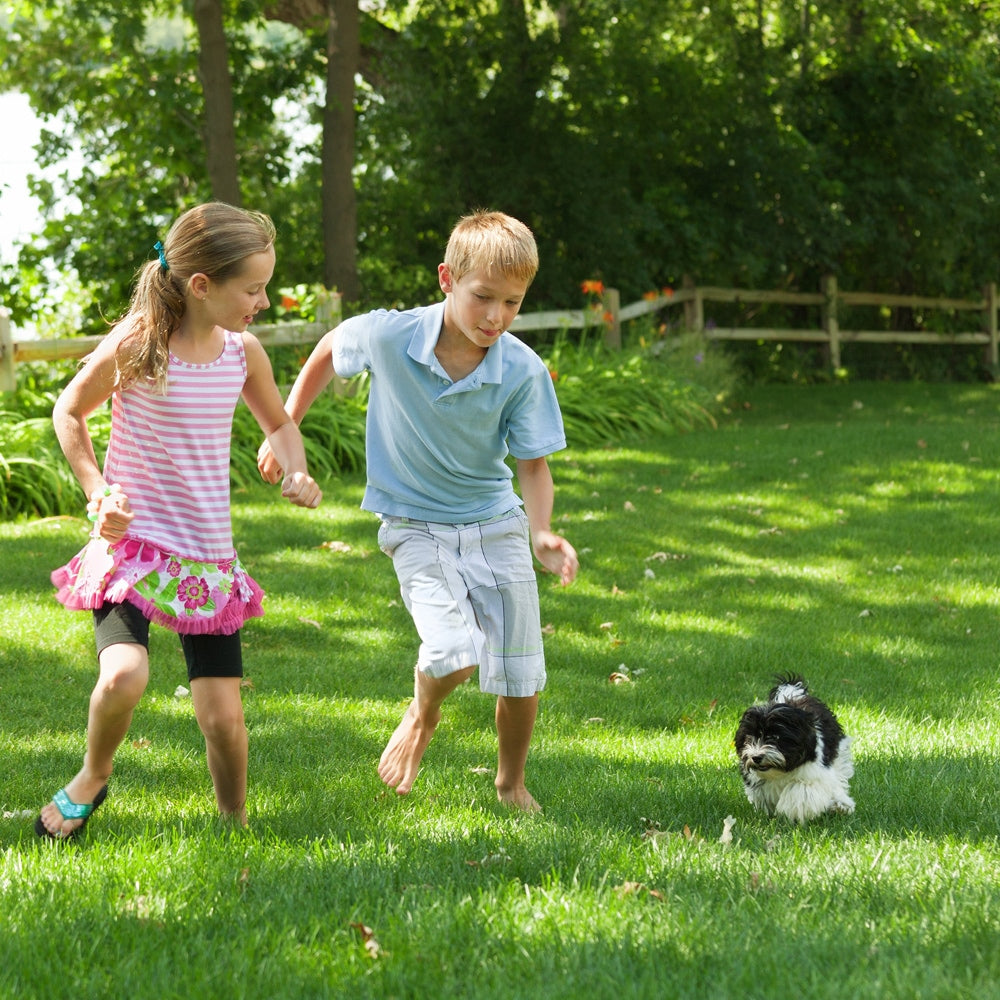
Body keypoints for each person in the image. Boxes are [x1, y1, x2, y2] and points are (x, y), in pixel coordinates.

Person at [258, 209, 577, 812]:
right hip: (415, 526)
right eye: (484, 297)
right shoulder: (391, 336)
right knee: (452, 653)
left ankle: (510, 783)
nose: (496, 317)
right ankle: (422, 714)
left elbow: (533, 466)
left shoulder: (523, 370)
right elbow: (329, 347)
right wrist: (286, 424)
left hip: (495, 523)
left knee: (521, 671)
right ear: (446, 279)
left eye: (512, 303)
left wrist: (540, 533)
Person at [36, 202, 322, 840]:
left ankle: (233, 822)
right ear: (202, 286)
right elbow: (69, 411)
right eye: (252, 288)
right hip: (132, 547)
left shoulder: (242, 354)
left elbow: (279, 423)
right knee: (125, 673)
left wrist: (294, 466)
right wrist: (98, 492)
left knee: (223, 719)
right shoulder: (141, 343)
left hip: (205, 560)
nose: (265, 301)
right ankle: (93, 774)